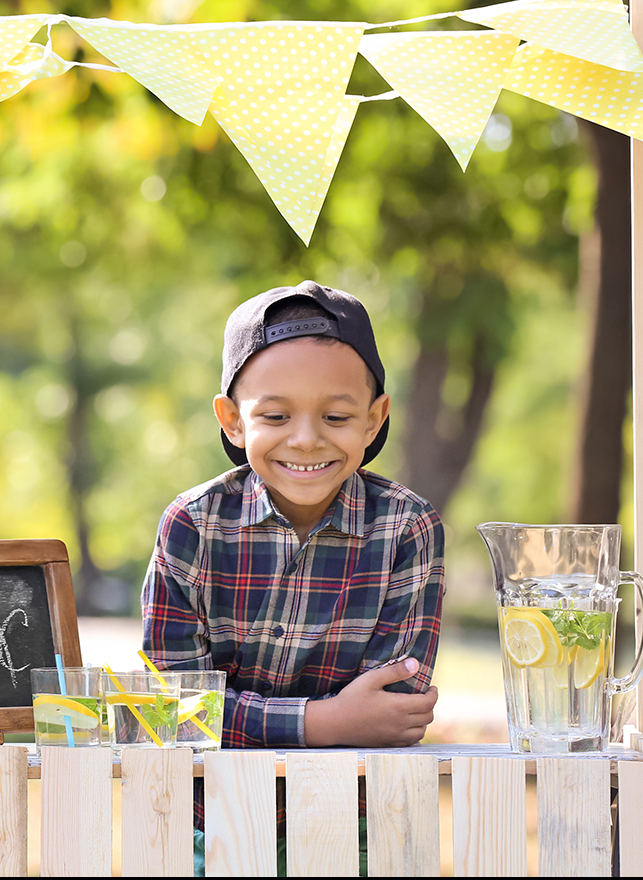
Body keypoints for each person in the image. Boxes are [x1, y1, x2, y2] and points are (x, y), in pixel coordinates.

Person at [141, 281, 444, 876]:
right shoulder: (194, 527)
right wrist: (323, 721)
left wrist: (232, 717)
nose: (306, 438)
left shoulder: (407, 528)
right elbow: (169, 710)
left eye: (335, 416)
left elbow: (392, 712)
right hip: (215, 816)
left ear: (374, 418)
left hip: (353, 817)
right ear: (231, 420)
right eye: (276, 416)